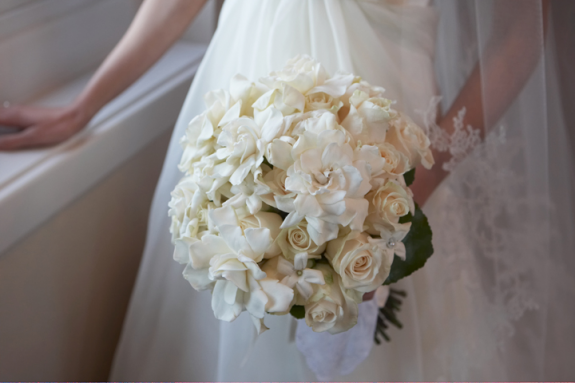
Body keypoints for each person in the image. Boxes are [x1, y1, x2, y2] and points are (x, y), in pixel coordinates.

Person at [1, 0, 574, 380]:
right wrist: (85, 103)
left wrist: (403, 193)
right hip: (235, 143)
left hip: (393, 159)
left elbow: (520, 34)